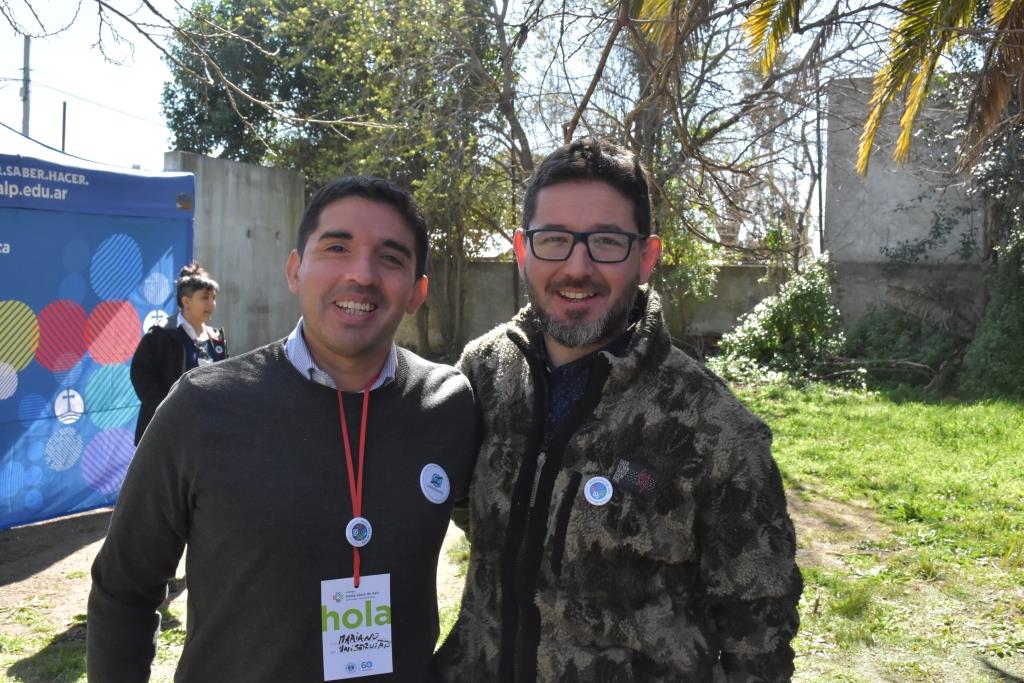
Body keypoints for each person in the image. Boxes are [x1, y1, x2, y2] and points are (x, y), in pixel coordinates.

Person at [435, 138, 802, 681]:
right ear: (522, 248)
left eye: (606, 241)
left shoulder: (713, 429)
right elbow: (474, 518)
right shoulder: (481, 375)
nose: (577, 267)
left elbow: (760, 635)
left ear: (646, 256)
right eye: (554, 239)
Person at [89, 177, 478, 682]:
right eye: (337, 247)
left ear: (417, 293)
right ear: (295, 269)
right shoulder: (202, 406)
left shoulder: (448, 404)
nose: (361, 274)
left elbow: (505, 548)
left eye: (390, 257)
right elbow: (125, 587)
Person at [130, 262, 228, 446]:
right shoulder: (161, 335)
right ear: (186, 301)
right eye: (205, 297)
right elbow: (141, 374)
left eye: (213, 298)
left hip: (204, 433)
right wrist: (167, 408)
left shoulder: (216, 340)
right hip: (164, 435)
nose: (211, 304)